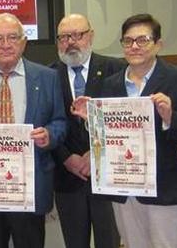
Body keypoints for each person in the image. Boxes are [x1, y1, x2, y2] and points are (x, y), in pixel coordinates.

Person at [73, 13, 177, 248]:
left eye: (142, 40)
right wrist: (91, 122)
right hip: (125, 191)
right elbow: (106, 141)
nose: (134, 46)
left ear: (158, 44)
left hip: (165, 190)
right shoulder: (110, 84)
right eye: (128, 41)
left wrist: (170, 118)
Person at [0, 13, 67, 248]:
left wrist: (49, 135)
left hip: (30, 184)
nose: (5, 45)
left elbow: (60, 122)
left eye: (12, 37)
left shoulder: (48, 77)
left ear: (24, 41)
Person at [50, 14, 121, 248]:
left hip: (108, 176)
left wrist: (96, 155)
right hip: (67, 177)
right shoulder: (48, 76)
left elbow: (124, 120)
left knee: (108, 242)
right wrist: (66, 158)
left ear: (91, 35)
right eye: (64, 37)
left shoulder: (117, 70)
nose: (71, 42)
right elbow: (45, 123)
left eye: (78, 35)